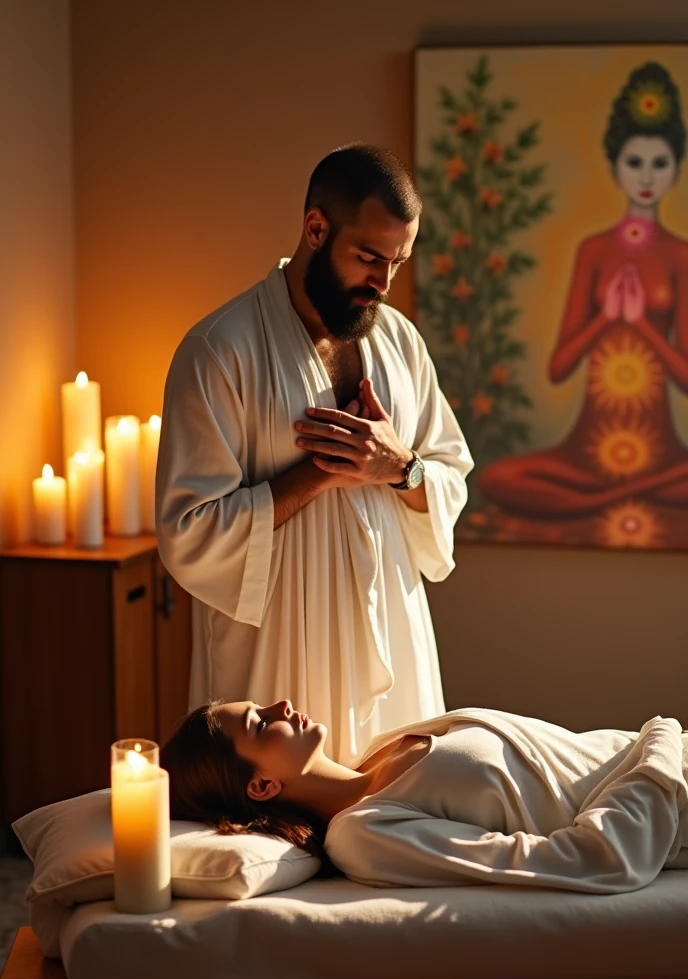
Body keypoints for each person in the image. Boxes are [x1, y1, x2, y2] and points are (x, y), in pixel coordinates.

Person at [156, 144, 473, 767]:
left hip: (392, 623)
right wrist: (317, 474)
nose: (383, 283)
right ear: (316, 228)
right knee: (280, 831)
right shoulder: (220, 350)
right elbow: (187, 532)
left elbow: (449, 473)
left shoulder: (400, 340)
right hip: (277, 647)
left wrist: (398, 468)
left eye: (398, 262)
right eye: (369, 258)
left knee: (398, 820)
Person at [161, 697, 688, 894]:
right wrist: (659, 749)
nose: (280, 704)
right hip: (672, 793)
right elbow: (592, 859)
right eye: (259, 722)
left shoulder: (384, 748)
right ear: (261, 786)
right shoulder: (362, 833)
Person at [480, 63, 688, 544]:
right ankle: (619, 494)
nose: (647, 177)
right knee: (499, 480)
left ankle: (636, 487)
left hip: (663, 454)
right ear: (615, 167)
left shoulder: (679, 256)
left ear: (676, 169)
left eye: (660, 163)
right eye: (635, 163)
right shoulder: (593, 250)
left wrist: (645, 327)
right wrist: (607, 321)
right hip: (585, 457)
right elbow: (559, 366)